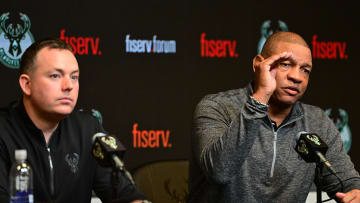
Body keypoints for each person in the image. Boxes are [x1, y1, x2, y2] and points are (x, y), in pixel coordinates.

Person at [188, 31, 360, 203]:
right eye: (285, 64)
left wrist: (355, 192)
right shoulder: (217, 107)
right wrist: (261, 97)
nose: (296, 77)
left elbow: (346, 182)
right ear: (258, 64)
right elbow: (219, 171)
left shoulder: (317, 121)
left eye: (305, 70)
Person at [0, 38, 147, 203]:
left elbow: (126, 194)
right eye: (55, 75)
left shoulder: (87, 129)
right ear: (27, 84)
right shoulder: (4, 130)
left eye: (74, 77)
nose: (68, 85)